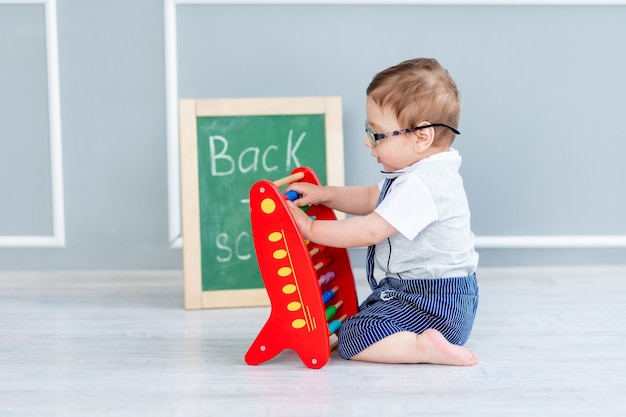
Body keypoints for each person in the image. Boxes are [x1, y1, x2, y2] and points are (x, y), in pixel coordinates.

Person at [286, 58, 479, 366]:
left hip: (433, 303)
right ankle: (422, 341)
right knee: (364, 318)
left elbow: (370, 230)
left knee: (354, 336)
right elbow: (370, 197)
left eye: (376, 133)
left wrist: (308, 229)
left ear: (421, 136)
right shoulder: (420, 175)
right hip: (433, 296)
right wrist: (326, 195)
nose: (367, 141)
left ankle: (423, 347)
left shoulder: (421, 185)